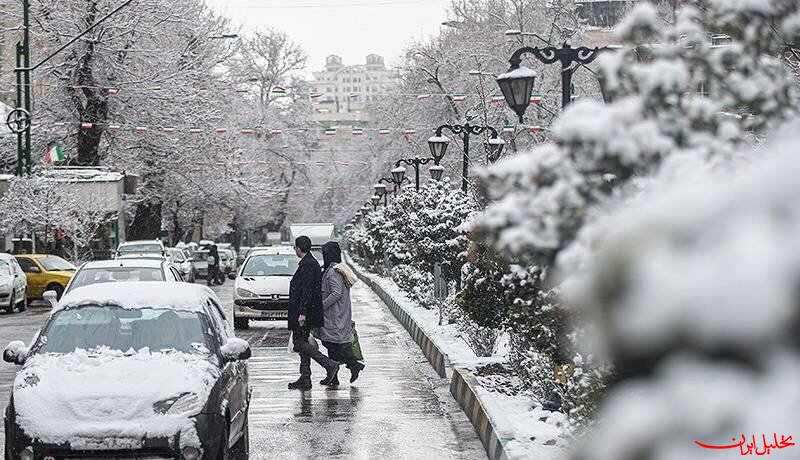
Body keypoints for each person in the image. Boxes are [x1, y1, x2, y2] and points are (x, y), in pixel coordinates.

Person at [287, 236, 340, 391]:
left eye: (295, 247)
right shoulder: (308, 263)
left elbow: (307, 292)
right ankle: (305, 378)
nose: (294, 250)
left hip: (304, 312)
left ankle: (329, 364)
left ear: (299, 248)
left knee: (299, 343)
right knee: (303, 343)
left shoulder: (308, 265)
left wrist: (302, 313)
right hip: (305, 311)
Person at [317, 241, 364, 386]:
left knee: (333, 344)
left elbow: (336, 293)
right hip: (337, 314)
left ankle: (352, 365)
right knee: (332, 344)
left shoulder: (333, 272)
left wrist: (322, 306)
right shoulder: (338, 269)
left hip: (334, 315)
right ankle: (336, 375)